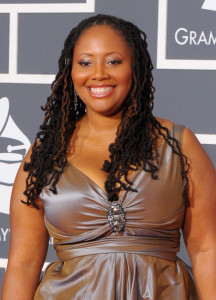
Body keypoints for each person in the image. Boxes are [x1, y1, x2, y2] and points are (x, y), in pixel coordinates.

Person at [2, 14, 216, 300]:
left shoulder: (178, 145)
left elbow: (206, 250)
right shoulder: (44, 153)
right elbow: (23, 264)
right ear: (70, 72)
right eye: (85, 62)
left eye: (114, 61)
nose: (98, 74)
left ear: (135, 68)